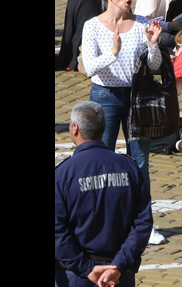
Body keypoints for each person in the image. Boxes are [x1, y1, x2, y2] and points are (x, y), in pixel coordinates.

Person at [79, 0, 164, 245]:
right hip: (104, 97)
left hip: (136, 98)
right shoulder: (92, 26)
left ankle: (143, 224)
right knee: (100, 162)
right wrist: (112, 53)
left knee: (139, 162)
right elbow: (89, 68)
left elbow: (153, 66)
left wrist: (153, 45)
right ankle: (102, 223)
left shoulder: (141, 24)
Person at [55, 102, 153, 287]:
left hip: (76, 275)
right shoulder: (129, 167)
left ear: (75, 128)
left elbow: (57, 231)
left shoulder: (62, 174)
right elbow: (142, 223)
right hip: (119, 273)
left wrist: (86, 269)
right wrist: (118, 265)